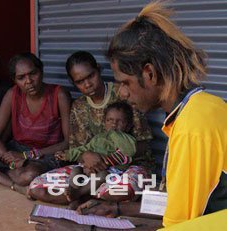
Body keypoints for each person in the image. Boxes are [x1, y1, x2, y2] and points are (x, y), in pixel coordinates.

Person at [37, 1, 227, 229]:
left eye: (125, 83)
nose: (123, 93)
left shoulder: (191, 130)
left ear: (149, 74)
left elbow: (177, 226)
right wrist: (118, 209)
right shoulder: (204, 106)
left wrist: (85, 229)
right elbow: (180, 203)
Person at [29, 51, 154, 204]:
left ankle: (82, 196)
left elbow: (143, 145)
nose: (87, 84)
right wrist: (87, 155)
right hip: (90, 171)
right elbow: (78, 149)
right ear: (73, 83)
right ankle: (89, 195)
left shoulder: (123, 94)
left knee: (123, 190)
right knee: (37, 187)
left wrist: (112, 158)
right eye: (80, 81)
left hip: (128, 168)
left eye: (90, 76)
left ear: (99, 70)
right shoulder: (78, 107)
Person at [0, 52, 71, 194]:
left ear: (41, 71)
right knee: (22, 175)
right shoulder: (12, 94)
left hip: (46, 153)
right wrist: (12, 161)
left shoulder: (59, 95)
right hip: (16, 150)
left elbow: (67, 142)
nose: (28, 81)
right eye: (21, 77)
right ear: (15, 80)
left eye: (33, 73)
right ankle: (14, 183)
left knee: (29, 175)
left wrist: (27, 156)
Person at [55, 101, 138, 204]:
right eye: (109, 120)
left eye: (119, 121)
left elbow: (130, 151)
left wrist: (114, 133)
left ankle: (79, 193)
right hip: (89, 169)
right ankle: (73, 192)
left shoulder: (128, 140)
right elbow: (84, 149)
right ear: (104, 122)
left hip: (110, 171)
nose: (113, 124)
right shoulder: (99, 138)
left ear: (128, 126)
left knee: (102, 175)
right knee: (76, 170)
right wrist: (68, 154)